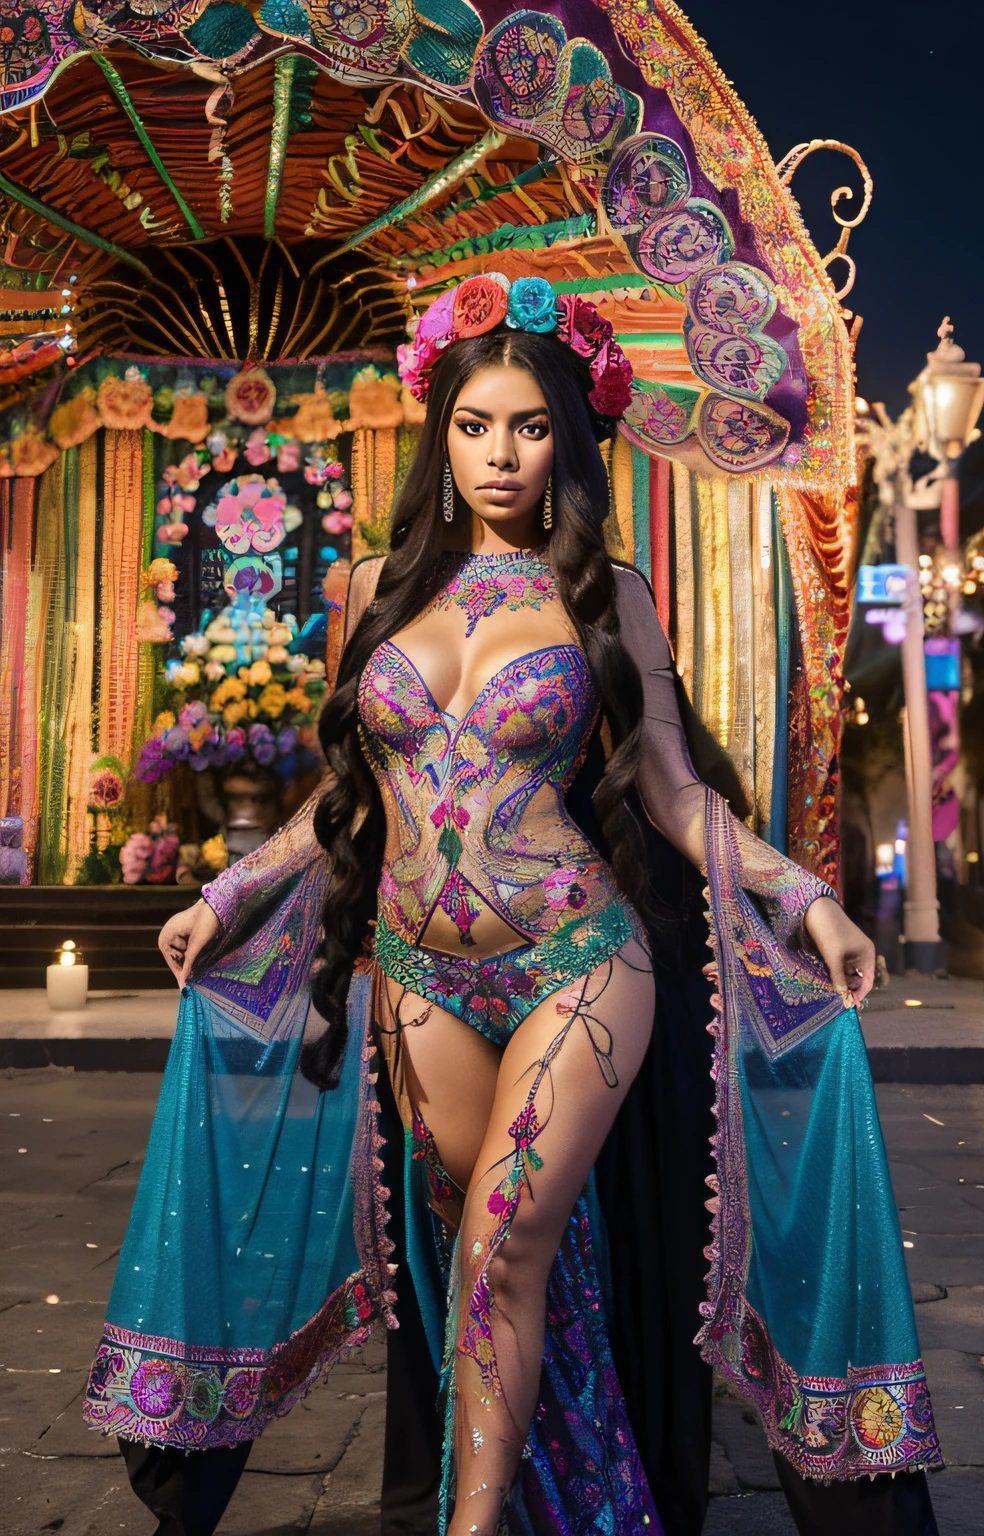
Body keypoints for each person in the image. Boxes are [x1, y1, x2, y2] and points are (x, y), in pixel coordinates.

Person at [87, 275, 940, 1535]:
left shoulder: (609, 593)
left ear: (568, 439)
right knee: (497, 1270)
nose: (500, 453)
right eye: (477, 424)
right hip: (418, 977)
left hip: (577, 964)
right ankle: (581, 1496)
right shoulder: (375, 587)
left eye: (530, 427)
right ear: (441, 430)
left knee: (501, 1255)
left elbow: (671, 791)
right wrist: (223, 895)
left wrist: (807, 901)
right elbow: (349, 802)